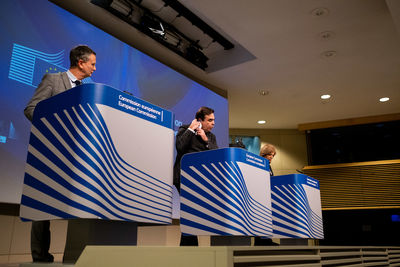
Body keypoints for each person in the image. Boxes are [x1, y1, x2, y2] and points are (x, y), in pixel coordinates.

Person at [24, 45, 96, 262]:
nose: (95, 68)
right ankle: (39, 256)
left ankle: (76, 254)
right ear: (81, 63)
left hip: (75, 157)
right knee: (42, 210)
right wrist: (56, 126)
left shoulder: (86, 89)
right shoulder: (53, 80)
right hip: (50, 153)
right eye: (92, 63)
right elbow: (31, 108)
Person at [173, 106, 218, 245]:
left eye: (214, 120)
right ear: (200, 120)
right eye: (210, 120)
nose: (213, 123)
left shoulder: (211, 137)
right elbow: (180, 147)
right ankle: (189, 248)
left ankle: (189, 247)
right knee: (190, 210)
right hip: (184, 178)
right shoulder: (185, 129)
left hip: (200, 179)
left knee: (193, 213)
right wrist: (191, 129)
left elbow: (216, 156)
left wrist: (205, 141)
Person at [254, 143, 277, 246]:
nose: (271, 157)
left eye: (273, 155)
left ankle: (267, 240)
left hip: (268, 197)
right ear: (264, 154)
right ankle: (260, 243)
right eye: (269, 155)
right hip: (259, 198)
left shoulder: (269, 166)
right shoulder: (258, 164)